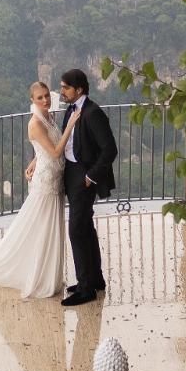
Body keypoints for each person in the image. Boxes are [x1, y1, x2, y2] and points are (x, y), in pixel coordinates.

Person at [0, 82, 81, 298]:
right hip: (46, 182)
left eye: (47, 96)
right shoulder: (35, 123)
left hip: (54, 177)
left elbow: (46, 147)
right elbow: (56, 152)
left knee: (49, 226)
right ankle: (29, 274)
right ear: (32, 100)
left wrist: (34, 161)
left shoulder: (48, 117)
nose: (45, 100)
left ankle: (49, 275)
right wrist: (71, 126)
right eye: (40, 98)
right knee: (38, 227)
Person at [57, 67, 117, 306]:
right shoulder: (70, 110)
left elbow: (110, 149)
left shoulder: (92, 113)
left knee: (76, 230)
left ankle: (85, 289)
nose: (61, 91)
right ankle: (95, 279)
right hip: (71, 172)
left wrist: (90, 177)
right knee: (85, 227)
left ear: (79, 89)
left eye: (65, 87)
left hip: (83, 176)